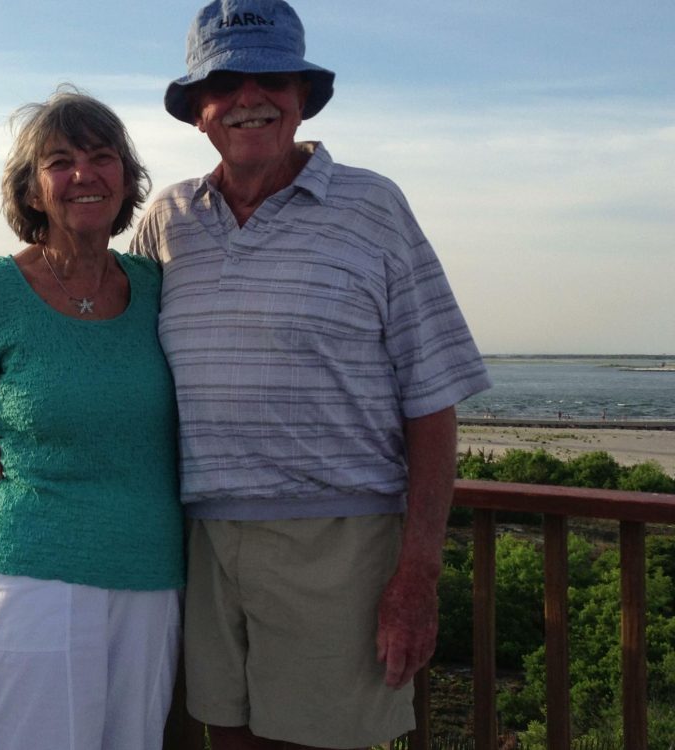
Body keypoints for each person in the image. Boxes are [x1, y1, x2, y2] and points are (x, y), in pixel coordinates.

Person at [132, 1, 491, 748]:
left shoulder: (372, 206)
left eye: (271, 77)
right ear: (198, 110)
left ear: (302, 98)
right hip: (196, 536)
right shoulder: (167, 219)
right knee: (219, 734)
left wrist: (417, 575)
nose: (248, 97)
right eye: (224, 81)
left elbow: (432, 399)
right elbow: (106, 344)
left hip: (340, 543)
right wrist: (5, 421)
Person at [0, 89, 185, 750]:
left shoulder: (158, 288)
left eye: (102, 156)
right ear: (31, 191)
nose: (85, 173)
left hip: (152, 580)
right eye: (61, 161)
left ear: (125, 179)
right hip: (34, 578)